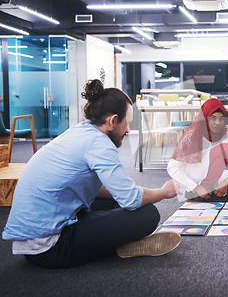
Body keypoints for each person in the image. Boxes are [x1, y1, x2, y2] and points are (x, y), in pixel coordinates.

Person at [2, 80, 181, 269]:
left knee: (118, 202)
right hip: (51, 248)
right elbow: (132, 200)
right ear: (113, 120)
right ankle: (121, 243)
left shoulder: (80, 131)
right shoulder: (99, 143)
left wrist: (126, 194)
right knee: (147, 213)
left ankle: (116, 239)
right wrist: (163, 192)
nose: (128, 130)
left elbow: (102, 191)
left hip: (31, 240)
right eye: (127, 123)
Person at [167, 98, 228, 201]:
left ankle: (210, 192)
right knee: (224, 149)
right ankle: (201, 191)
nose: (217, 123)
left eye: (221, 119)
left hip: (217, 179)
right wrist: (196, 187)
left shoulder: (226, 134)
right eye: (213, 118)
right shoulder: (192, 135)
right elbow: (172, 167)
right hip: (194, 180)